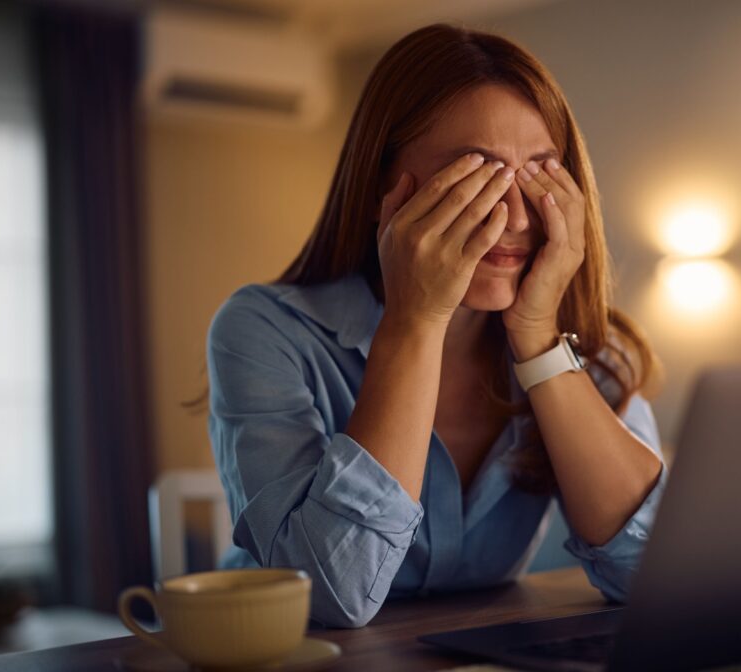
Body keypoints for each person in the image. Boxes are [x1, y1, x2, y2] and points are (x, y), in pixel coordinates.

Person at [206, 23, 669, 629]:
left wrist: (537, 340)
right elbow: (331, 594)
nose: (517, 220)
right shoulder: (264, 331)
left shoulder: (578, 347)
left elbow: (655, 578)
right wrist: (416, 319)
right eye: (479, 175)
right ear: (385, 189)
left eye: (540, 175)